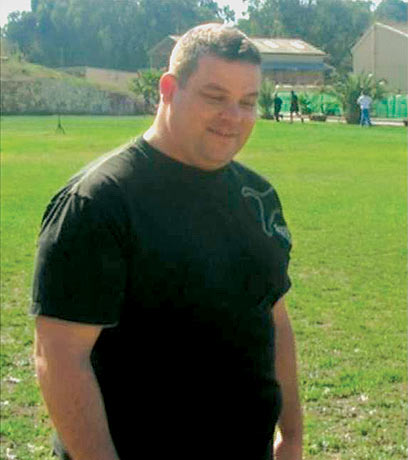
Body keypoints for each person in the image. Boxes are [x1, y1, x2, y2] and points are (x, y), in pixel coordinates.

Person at [32, 23, 303, 460]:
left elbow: (275, 318)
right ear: (169, 90)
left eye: (247, 102)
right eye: (215, 97)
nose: (233, 116)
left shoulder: (258, 197)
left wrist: (291, 436)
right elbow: (60, 357)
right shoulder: (100, 203)